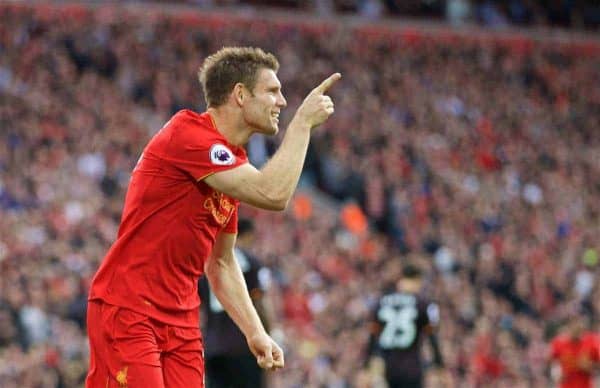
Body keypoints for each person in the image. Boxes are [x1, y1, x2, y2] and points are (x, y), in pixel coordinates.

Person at [85, 46, 340, 387]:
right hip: (130, 308)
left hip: (183, 320)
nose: (281, 102)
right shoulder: (188, 134)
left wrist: (255, 332)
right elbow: (272, 194)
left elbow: (220, 262)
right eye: (272, 91)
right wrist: (303, 125)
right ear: (239, 94)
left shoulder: (230, 162)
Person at [199, 218, 273, 388]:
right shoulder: (252, 263)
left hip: (214, 349)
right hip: (243, 348)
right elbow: (261, 304)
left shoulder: (208, 264)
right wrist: (267, 336)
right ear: (246, 236)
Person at [367, 264, 444, 388]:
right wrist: (440, 365)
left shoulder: (381, 302)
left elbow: (373, 335)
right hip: (411, 367)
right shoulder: (424, 304)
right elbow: (432, 337)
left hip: (387, 368)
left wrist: (368, 364)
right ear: (417, 280)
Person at [549, 315, 600, 388]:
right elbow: (550, 362)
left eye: (578, 326)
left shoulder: (590, 342)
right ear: (568, 327)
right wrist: (555, 373)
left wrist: (590, 366)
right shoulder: (559, 343)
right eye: (573, 325)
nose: (576, 329)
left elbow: (598, 365)